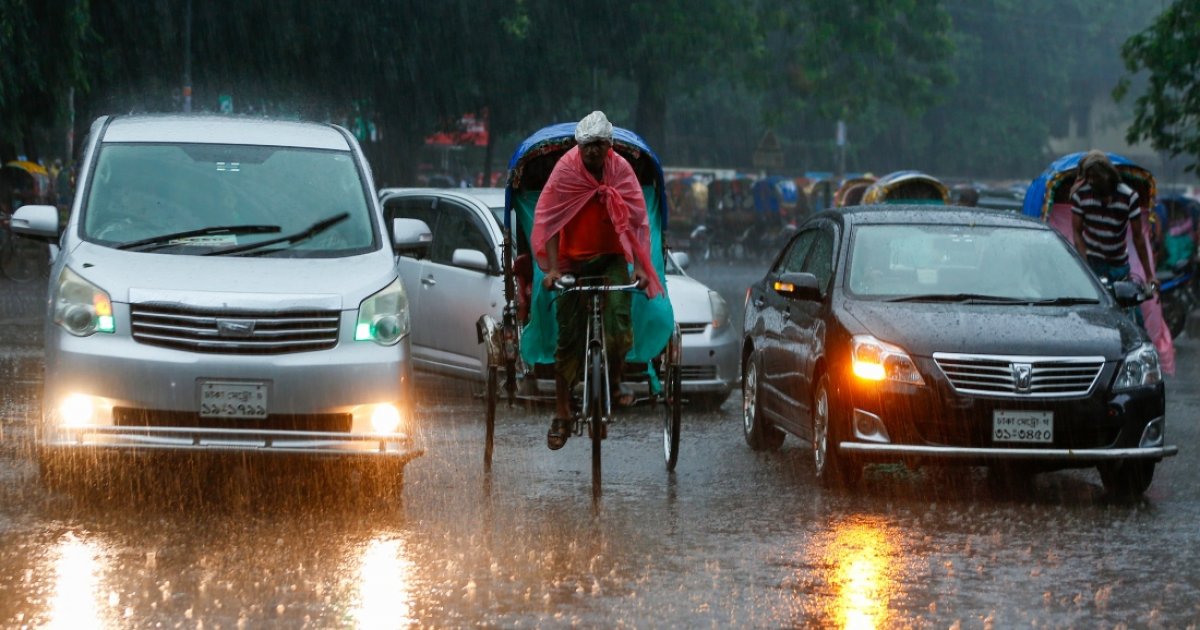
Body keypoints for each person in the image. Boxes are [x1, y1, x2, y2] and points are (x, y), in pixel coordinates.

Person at [530, 111, 663, 450]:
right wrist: (555, 269)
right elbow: (550, 220)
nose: (592, 152)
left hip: (613, 258)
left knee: (619, 321)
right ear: (579, 146)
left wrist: (637, 268)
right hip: (572, 260)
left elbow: (636, 221)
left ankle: (615, 382)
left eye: (599, 146)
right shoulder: (565, 171)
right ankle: (561, 411)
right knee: (569, 335)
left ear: (609, 146)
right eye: (587, 146)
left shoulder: (621, 171)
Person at [1069, 150, 1158, 296]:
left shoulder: (1129, 196)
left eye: (1095, 177)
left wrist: (1149, 275)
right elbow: (1077, 233)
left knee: (1132, 310)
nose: (1091, 181)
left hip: (1119, 266)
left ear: (1107, 175)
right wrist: (1084, 268)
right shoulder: (1080, 194)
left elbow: (1138, 238)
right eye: (1089, 177)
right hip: (1092, 263)